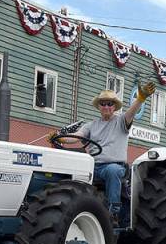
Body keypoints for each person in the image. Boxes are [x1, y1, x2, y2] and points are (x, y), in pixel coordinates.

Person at [64, 83, 156, 225]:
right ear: (99, 107)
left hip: (115, 166)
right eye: (103, 104)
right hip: (93, 167)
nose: (106, 106)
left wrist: (140, 99)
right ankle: (72, 210)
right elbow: (77, 136)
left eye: (109, 104)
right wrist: (61, 137)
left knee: (112, 171)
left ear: (114, 107)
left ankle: (113, 213)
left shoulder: (121, 121)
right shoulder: (91, 125)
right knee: (72, 170)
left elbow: (131, 112)